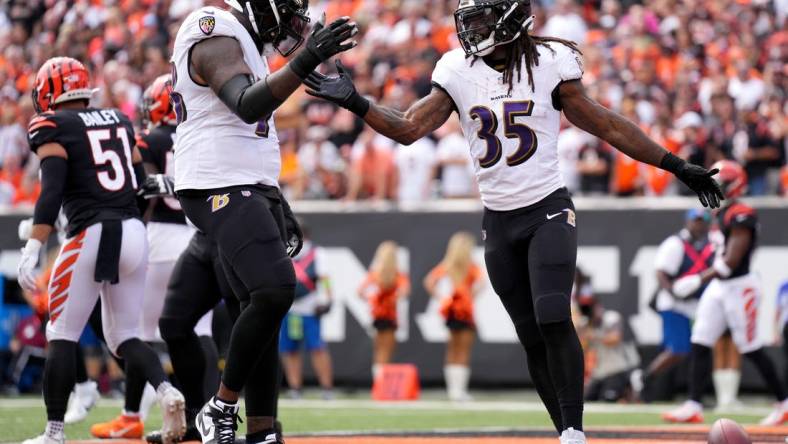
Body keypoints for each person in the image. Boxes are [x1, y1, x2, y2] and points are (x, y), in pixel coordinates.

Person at [305, 1, 723, 442]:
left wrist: (677, 166)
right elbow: (409, 128)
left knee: (553, 315)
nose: (472, 28)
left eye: (482, 18)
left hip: (546, 208)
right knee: (530, 335)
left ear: (509, 18)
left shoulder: (549, 63)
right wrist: (355, 101)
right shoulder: (457, 70)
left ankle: (575, 432)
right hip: (499, 220)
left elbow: (608, 127)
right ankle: (563, 429)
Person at [170, 1, 357, 443]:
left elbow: (251, 133)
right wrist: (309, 57)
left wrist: (273, 194)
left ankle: (262, 430)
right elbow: (245, 105)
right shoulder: (212, 29)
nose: (295, 21)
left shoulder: (247, 43)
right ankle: (219, 408)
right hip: (217, 182)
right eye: (289, 7)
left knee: (254, 307)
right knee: (275, 290)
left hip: (245, 183)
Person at [17, 57, 186, 444]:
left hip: (89, 232)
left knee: (60, 333)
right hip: (132, 230)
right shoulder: (119, 121)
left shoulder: (51, 125)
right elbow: (143, 183)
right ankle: (167, 391)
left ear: (49, 92)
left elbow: (53, 190)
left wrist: (34, 244)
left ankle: (54, 432)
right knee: (125, 335)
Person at [90, 75, 218, 440]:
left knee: (137, 333)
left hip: (159, 238)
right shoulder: (199, 137)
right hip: (198, 236)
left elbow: (139, 193)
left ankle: (132, 414)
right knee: (202, 329)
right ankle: (210, 411)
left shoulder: (149, 140)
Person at [664, 160, 788, 426]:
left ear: (734, 185)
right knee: (700, 340)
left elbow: (729, 262)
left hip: (740, 287)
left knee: (751, 348)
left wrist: (696, 279)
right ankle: (693, 404)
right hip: (720, 286)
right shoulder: (722, 213)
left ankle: (784, 402)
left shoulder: (742, 213)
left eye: (719, 183)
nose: (713, 187)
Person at [640, 209, 714, 401]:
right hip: (674, 304)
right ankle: (645, 380)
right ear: (687, 222)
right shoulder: (675, 243)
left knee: (699, 349)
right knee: (678, 349)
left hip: (697, 305)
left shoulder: (709, 245)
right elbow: (661, 272)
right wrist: (673, 292)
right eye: (695, 221)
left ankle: (695, 394)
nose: (699, 225)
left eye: (702, 221)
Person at [424, 232, 483, 402]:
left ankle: (453, 390)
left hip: (451, 312)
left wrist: (443, 298)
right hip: (465, 312)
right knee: (463, 350)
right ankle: (459, 390)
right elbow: (482, 282)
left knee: (452, 349)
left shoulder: (448, 265)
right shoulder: (471, 267)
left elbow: (429, 281)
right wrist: (470, 296)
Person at [279, 220, 334, 400]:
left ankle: (326, 388)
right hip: (290, 308)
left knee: (317, 348)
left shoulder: (317, 253)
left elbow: (324, 279)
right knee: (290, 350)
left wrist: (327, 299)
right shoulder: (284, 252)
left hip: (311, 307)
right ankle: (295, 387)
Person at [358, 241, 410, 380]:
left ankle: (378, 382)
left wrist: (374, 299)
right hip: (389, 316)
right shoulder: (398, 275)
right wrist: (392, 298)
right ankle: (381, 384)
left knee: (378, 350)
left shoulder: (375, 274)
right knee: (386, 351)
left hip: (377, 316)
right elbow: (405, 291)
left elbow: (360, 291)